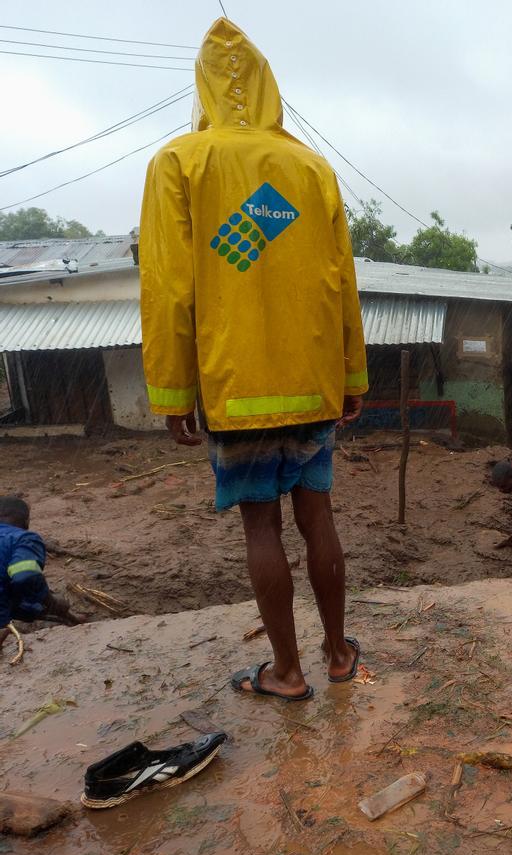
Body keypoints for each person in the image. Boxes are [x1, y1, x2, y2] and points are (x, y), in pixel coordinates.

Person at [139, 18, 367, 701]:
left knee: (260, 525)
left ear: (204, 85)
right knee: (318, 516)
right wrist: (351, 375)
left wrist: (174, 392)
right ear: (270, 87)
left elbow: (169, 288)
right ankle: (336, 654)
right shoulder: (312, 168)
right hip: (310, 382)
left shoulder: (178, 163)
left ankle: (287, 674)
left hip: (235, 387)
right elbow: (343, 283)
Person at [0, 497, 82, 650]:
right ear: (26, 520)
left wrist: (38, 609)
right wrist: (51, 602)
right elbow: (24, 576)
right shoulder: (22, 539)